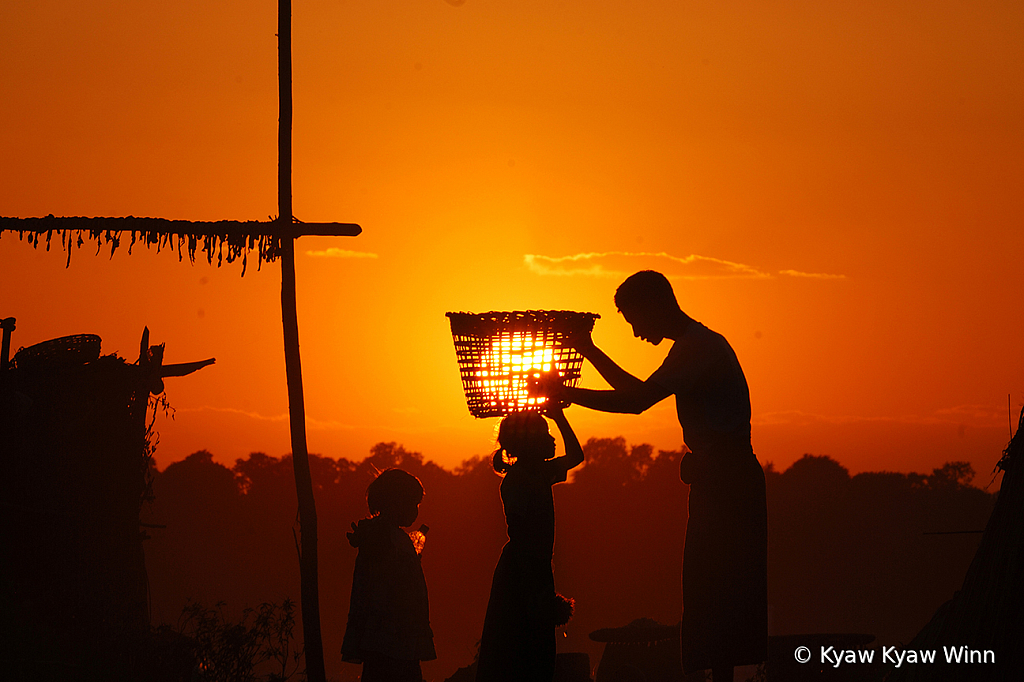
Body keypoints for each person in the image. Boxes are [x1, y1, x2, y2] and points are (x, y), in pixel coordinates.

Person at [538, 270, 767, 682]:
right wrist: (587, 353)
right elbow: (636, 396)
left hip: (728, 481)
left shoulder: (698, 348)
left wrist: (567, 392)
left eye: (632, 318)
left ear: (655, 306)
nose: (634, 330)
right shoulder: (694, 346)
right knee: (710, 584)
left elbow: (636, 401)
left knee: (722, 584)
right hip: (719, 477)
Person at [475, 406, 584, 682]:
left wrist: (559, 416)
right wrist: (536, 594)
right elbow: (526, 539)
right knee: (523, 654)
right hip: (523, 574)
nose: (552, 439)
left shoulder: (539, 473)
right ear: (529, 442)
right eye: (545, 433)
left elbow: (576, 456)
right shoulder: (523, 479)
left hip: (533, 571)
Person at [341, 468, 436, 682]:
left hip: (396, 632)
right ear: (394, 502)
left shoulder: (391, 535)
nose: (415, 510)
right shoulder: (382, 535)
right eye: (412, 503)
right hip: (389, 632)